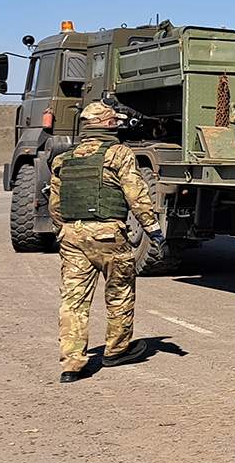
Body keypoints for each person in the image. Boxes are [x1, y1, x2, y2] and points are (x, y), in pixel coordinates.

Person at [50, 102, 158, 383]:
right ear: (108, 125)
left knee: (73, 301)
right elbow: (137, 195)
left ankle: (71, 365)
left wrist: (67, 231)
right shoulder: (118, 154)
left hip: (72, 237)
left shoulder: (64, 159)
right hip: (108, 235)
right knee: (119, 291)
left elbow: (55, 206)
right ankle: (116, 350)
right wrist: (152, 228)